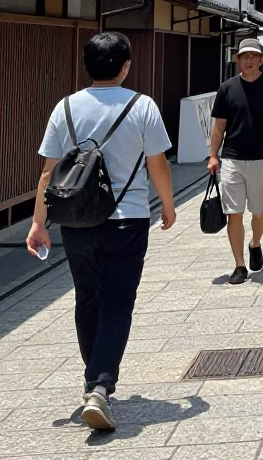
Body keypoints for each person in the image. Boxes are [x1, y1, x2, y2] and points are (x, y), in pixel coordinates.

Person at [25, 32, 176, 432]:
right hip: (127, 219)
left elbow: (48, 172)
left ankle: (95, 378)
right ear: (126, 66)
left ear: (87, 66)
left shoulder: (65, 109)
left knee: (87, 299)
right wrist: (168, 204)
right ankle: (100, 385)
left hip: (76, 219)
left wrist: (38, 222)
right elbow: (157, 163)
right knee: (117, 303)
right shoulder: (141, 106)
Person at [208, 39, 263, 285]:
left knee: (260, 211)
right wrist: (213, 155)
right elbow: (219, 126)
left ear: (262, 59)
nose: (248, 60)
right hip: (232, 158)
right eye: (244, 56)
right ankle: (239, 265)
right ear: (237, 60)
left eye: (253, 55)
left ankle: (255, 243)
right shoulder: (227, 88)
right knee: (234, 213)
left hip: (262, 158)